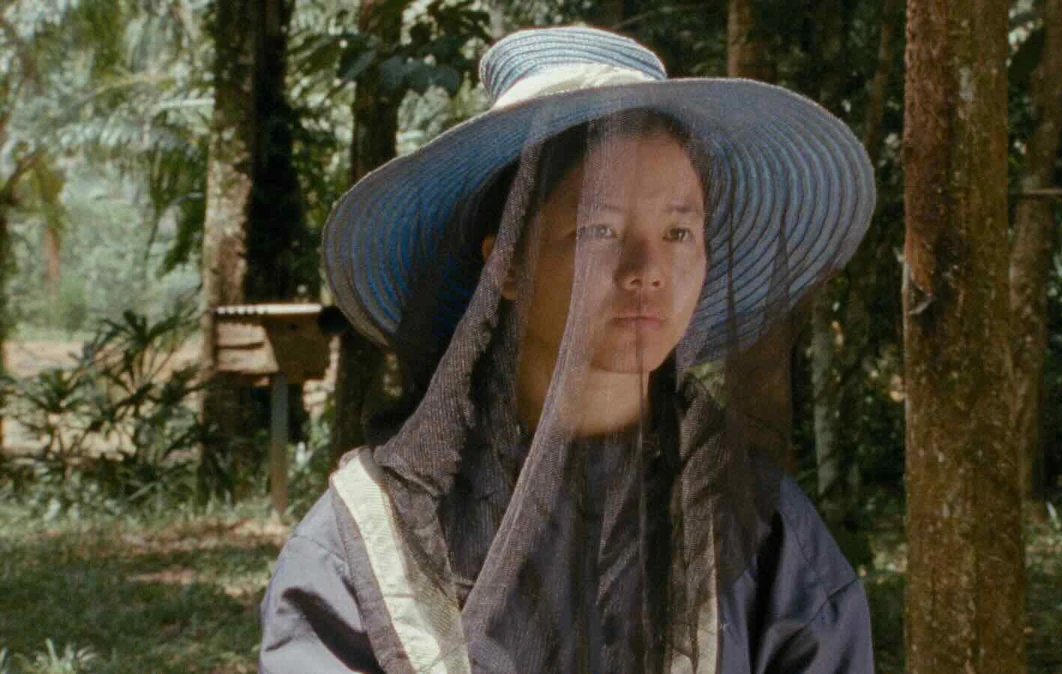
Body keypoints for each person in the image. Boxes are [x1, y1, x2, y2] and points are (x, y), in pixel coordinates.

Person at [260, 25, 877, 674]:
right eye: (598, 229)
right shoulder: (362, 546)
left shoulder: (769, 539)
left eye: (678, 232)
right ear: (506, 266)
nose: (647, 270)